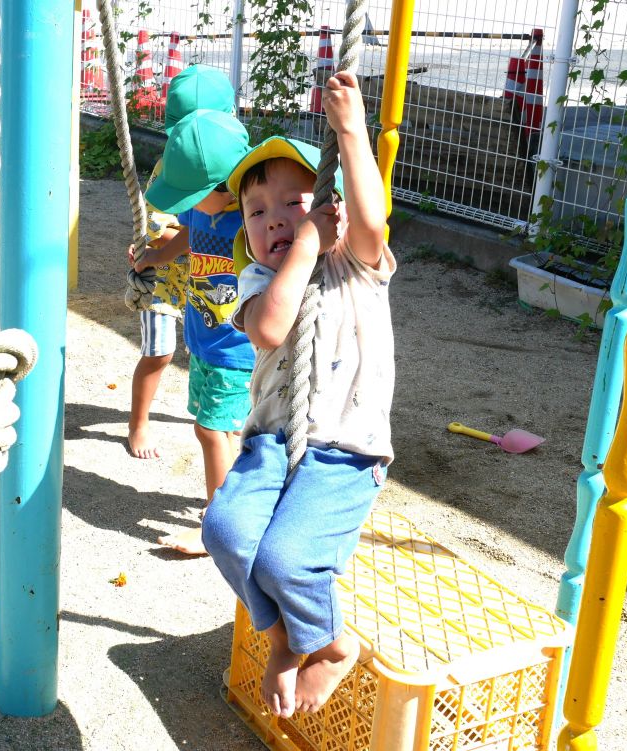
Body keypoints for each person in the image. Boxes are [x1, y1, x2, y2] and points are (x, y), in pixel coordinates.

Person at [201, 70, 395, 718]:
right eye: (257, 212)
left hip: (344, 449)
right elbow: (271, 327)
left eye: (294, 203)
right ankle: (286, 636)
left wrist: (350, 128)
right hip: (269, 444)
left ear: (326, 204)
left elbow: (372, 219)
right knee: (226, 530)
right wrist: (304, 241)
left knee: (286, 558)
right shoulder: (259, 275)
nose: (275, 219)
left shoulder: (357, 268)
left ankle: (332, 645)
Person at [132, 109, 255, 555]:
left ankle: (216, 527)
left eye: (190, 195)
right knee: (217, 430)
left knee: (211, 431)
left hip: (237, 348)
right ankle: (228, 505)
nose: (183, 205)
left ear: (219, 187)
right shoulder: (203, 212)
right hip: (204, 339)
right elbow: (190, 235)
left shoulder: (251, 220)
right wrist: (153, 258)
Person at [128, 65, 238, 459]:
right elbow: (162, 230)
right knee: (159, 352)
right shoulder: (173, 168)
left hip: (205, 283)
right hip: (163, 277)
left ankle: (217, 420)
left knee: (206, 353)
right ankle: (138, 423)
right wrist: (154, 253)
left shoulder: (237, 177)